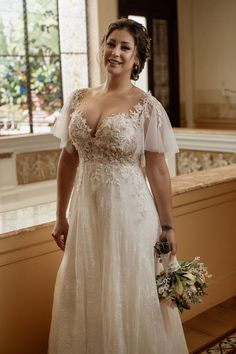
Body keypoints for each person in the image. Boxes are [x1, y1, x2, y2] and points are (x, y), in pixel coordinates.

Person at [48, 18, 188, 354]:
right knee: (88, 288)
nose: (115, 52)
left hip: (131, 215)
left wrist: (167, 224)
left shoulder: (147, 107)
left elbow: (157, 169)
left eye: (125, 47)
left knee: (129, 291)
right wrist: (60, 216)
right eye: (111, 43)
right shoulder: (79, 98)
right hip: (87, 215)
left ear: (137, 59)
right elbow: (68, 160)